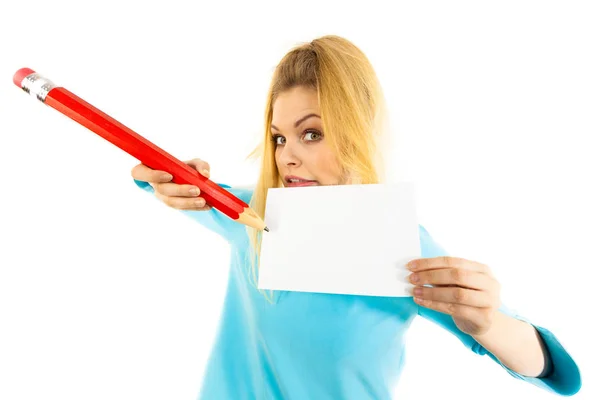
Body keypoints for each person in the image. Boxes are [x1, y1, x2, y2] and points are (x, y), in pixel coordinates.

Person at [131, 35, 581, 399]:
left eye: (312, 133)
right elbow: (155, 176)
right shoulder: (250, 216)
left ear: (358, 132)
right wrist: (168, 184)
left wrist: (490, 323)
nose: (287, 156)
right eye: (279, 138)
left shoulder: (400, 247)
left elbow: (556, 373)